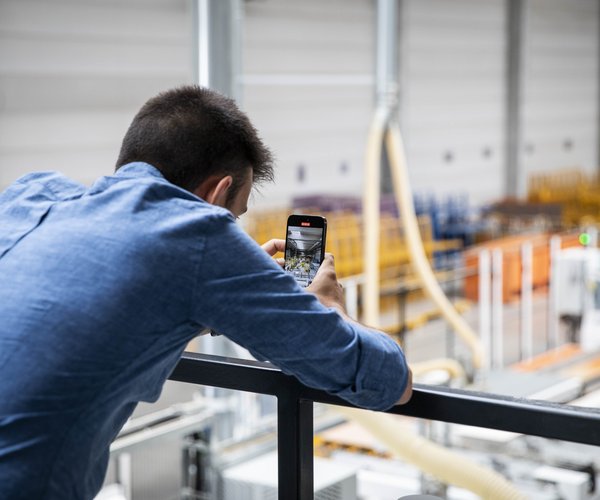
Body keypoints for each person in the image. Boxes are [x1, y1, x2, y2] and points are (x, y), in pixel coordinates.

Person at [0, 85, 411, 499]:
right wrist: (328, 307)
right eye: (235, 213)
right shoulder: (198, 234)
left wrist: (235, 294)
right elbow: (386, 379)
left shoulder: (31, 195)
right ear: (216, 193)